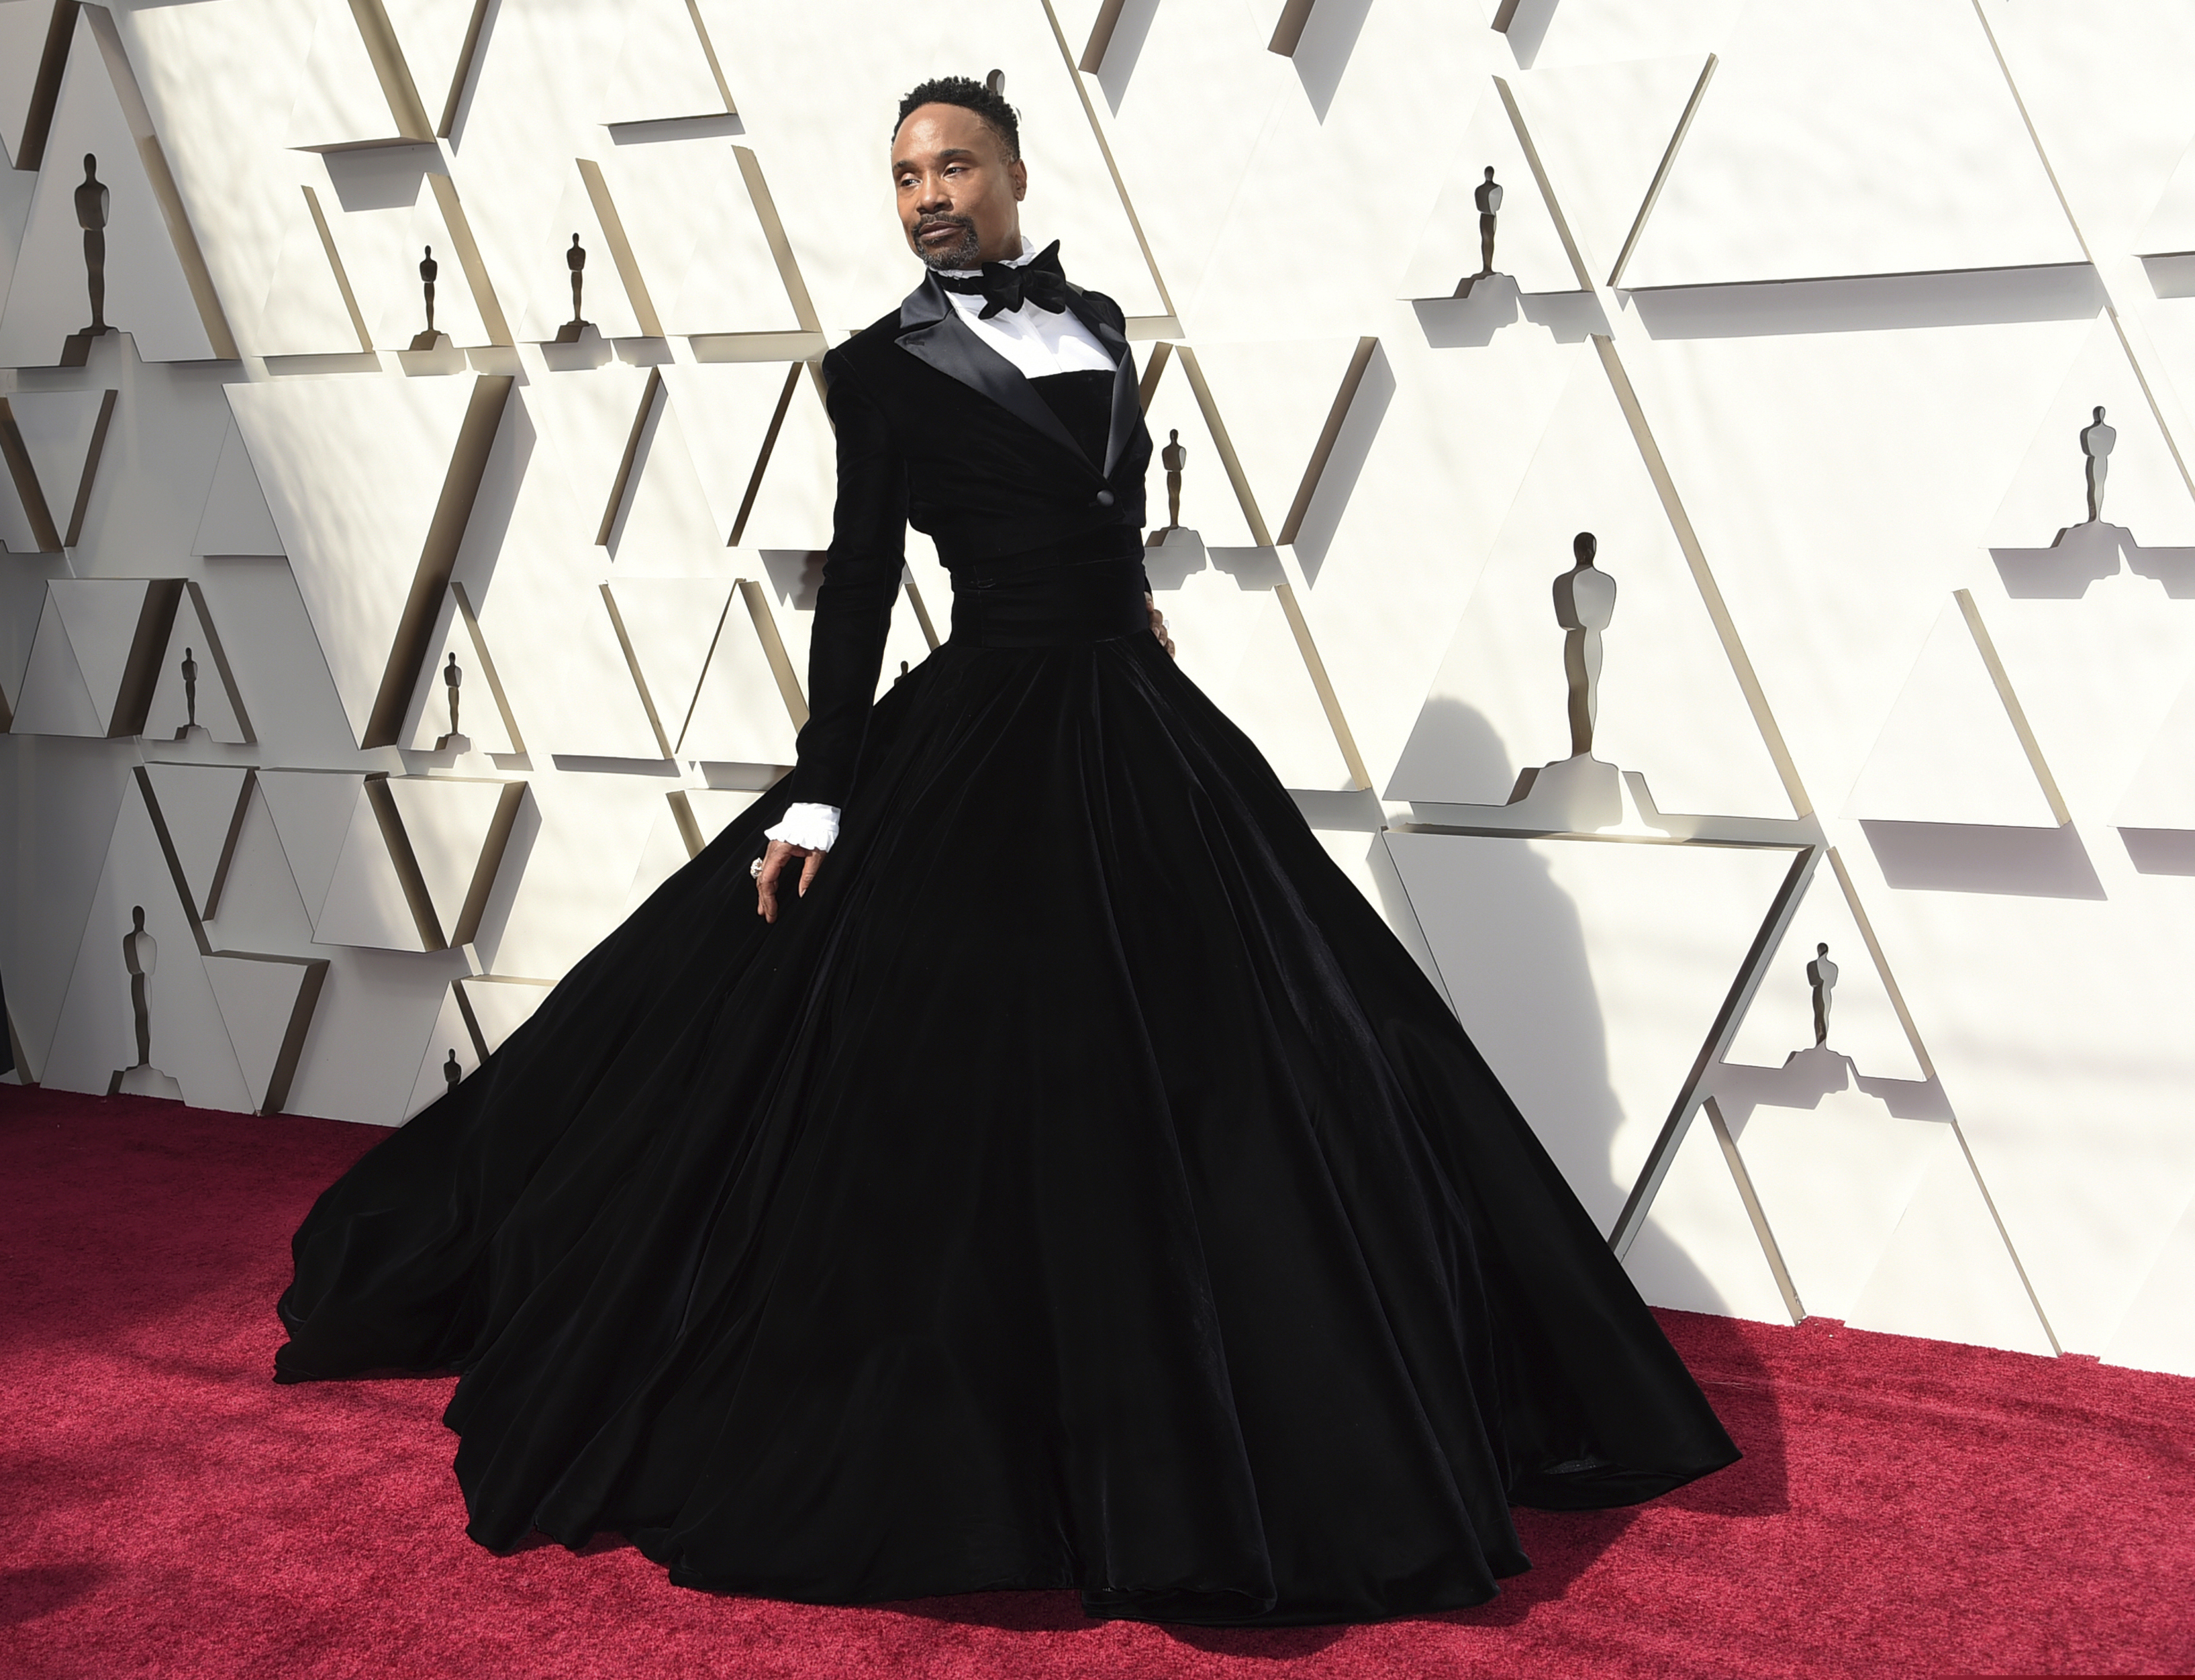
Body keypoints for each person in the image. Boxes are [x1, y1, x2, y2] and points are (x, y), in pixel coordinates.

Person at [276, 76, 1736, 1626]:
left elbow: (1101, 508)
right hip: (985, 729)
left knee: (1269, 1064)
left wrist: (1126, 604)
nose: (928, 195)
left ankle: (1277, 1415)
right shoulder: (877, 370)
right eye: (904, 172)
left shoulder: (1104, 319)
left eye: (954, 165)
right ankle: (996, 1448)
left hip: (1138, 721)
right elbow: (855, 589)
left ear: (1017, 173)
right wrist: (825, 792)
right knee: (958, 1086)